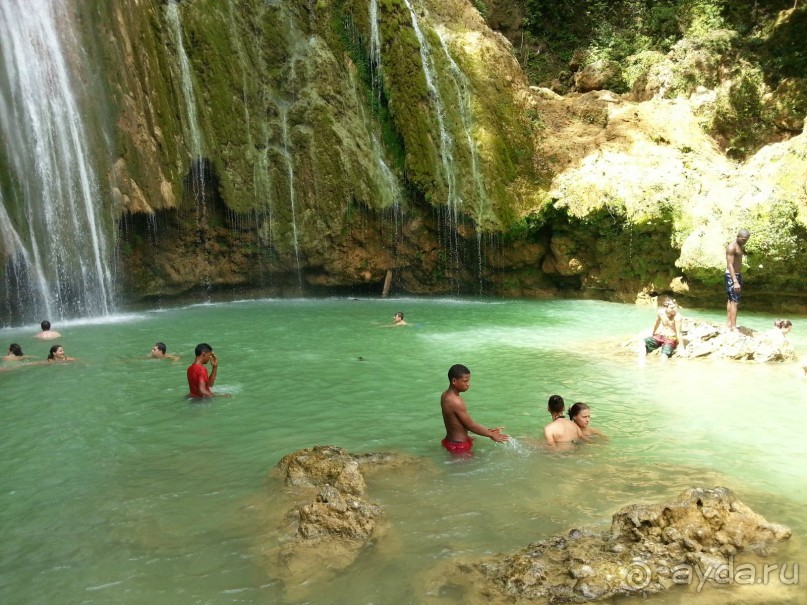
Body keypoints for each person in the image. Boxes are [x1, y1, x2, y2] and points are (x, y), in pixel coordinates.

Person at [440, 364, 509, 456]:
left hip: (451, 440)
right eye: (465, 381)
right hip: (459, 447)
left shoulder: (445, 395)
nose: (468, 384)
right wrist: (492, 435)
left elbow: (461, 423)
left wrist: (487, 430)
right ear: (454, 381)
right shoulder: (456, 401)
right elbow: (470, 425)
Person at [725, 229, 750, 332]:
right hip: (732, 276)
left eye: (747, 240)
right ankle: (734, 327)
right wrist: (735, 281)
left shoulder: (741, 245)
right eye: (743, 239)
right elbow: (730, 265)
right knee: (735, 301)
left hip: (737, 275)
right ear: (738, 236)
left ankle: (729, 324)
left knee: (731, 300)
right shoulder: (732, 247)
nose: (745, 241)